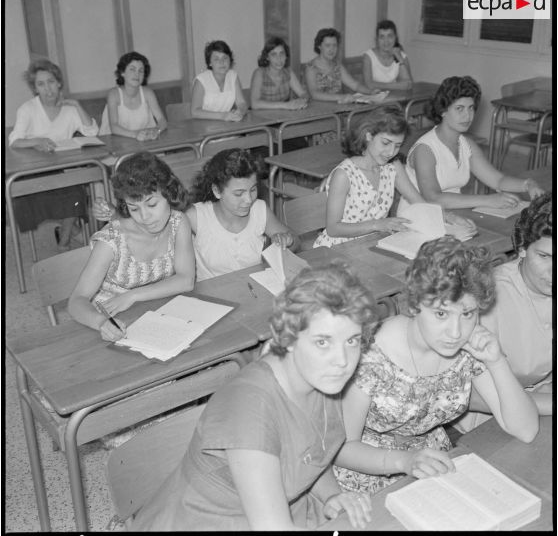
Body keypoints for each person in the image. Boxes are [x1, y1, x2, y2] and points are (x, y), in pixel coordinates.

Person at [132, 261, 377, 530]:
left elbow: (313, 451)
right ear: (289, 338)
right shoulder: (250, 408)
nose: (342, 361)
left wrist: (332, 495)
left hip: (284, 510)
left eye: (352, 340)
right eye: (323, 342)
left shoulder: (319, 377)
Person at [334, 236, 539, 495]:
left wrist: (496, 362)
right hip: (368, 472)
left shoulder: (468, 346)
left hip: (433, 465)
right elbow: (341, 448)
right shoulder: (370, 355)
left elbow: (526, 429)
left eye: (467, 314)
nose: (455, 332)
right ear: (415, 304)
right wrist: (403, 461)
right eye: (441, 314)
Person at [68, 151, 195, 342]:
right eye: (134, 208)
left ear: (169, 194)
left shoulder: (178, 222)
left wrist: (133, 296)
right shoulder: (112, 242)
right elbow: (76, 301)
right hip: (111, 325)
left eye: (152, 204)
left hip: (156, 314)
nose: (145, 217)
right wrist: (102, 323)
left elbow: (186, 280)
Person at [313, 105, 476, 248]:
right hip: (339, 248)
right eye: (385, 143)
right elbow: (334, 229)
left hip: (372, 243)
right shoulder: (344, 175)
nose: (391, 152)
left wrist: (449, 216)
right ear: (368, 136)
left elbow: (419, 202)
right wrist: (378, 224)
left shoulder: (393, 167)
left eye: (397, 146)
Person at [455, 193, 552, 431]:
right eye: (545, 256)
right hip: (487, 419)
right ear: (522, 248)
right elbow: (467, 394)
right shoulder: (488, 298)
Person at [397, 75, 544, 214]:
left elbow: (497, 180)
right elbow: (433, 198)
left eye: (471, 108)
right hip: (417, 217)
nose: (467, 116)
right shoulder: (425, 149)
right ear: (442, 110)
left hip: (451, 213)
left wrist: (527, 184)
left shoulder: (467, 144)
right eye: (459, 108)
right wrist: (488, 200)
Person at [9, 59, 99, 252]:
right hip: (34, 172)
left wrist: (76, 104)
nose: (47, 89)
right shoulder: (28, 109)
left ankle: (63, 242)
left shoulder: (69, 109)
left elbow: (92, 132)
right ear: (35, 88)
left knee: (75, 194)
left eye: (51, 82)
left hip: (62, 169)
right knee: (47, 200)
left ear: (59, 83)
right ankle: (71, 226)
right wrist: (36, 141)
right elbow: (14, 141)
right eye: (40, 84)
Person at [186, 148, 299, 280]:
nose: (249, 200)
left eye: (253, 189)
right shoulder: (196, 217)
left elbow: (296, 241)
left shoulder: (259, 209)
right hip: (212, 294)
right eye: (238, 194)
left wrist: (287, 241)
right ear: (217, 191)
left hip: (251, 290)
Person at [99, 51, 167, 141]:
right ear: (122, 72)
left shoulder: (148, 93)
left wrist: (156, 131)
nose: (137, 74)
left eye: (141, 71)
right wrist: (136, 134)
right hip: (116, 144)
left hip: (144, 142)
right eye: (132, 69)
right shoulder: (113, 94)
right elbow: (114, 127)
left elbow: (162, 120)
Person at [305, 28, 373, 104]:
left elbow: (354, 85)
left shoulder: (337, 65)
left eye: (334, 45)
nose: (332, 49)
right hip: (318, 112)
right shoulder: (311, 67)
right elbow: (315, 94)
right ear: (319, 46)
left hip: (339, 108)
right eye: (328, 45)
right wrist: (342, 97)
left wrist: (371, 92)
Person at [191, 40, 248, 121]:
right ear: (210, 63)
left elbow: (242, 103)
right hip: (203, 127)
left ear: (230, 60)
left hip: (226, 125)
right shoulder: (201, 80)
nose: (222, 62)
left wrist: (240, 112)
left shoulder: (233, 76)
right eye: (216, 59)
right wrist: (223, 116)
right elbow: (195, 112)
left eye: (225, 58)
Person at [250, 36, 308, 110]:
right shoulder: (259, 73)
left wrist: (302, 101)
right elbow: (254, 104)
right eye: (274, 54)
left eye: (282, 53)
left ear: (286, 56)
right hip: (262, 118)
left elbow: (303, 93)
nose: (279, 58)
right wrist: (286, 105)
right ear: (267, 57)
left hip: (282, 117)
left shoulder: (288, 72)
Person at [362, 20, 413, 91]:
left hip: (394, 98)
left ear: (396, 38)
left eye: (390, 36)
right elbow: (369, 85)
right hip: (374, 98)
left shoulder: (402, 56)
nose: (386, 41)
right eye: (382, 37)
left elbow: (408, 84)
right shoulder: (368, 57)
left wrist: (399, 58)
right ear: (377, 39)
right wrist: (397, 86)